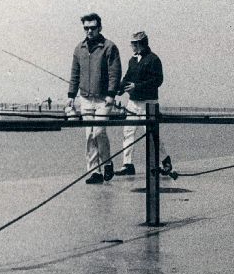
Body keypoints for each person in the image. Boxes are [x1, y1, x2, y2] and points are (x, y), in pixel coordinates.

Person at [66, 13, 122, 184]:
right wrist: (71, 96)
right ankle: (94, 172)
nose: (89, 31)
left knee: (99, 131)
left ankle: (107, 163)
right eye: (86, 28)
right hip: (85, 98)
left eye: (93, 28)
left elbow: (115, 73)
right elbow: (75, 74)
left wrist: (112, 95)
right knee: (89, 135)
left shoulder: (109, 47)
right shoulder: (79, 48)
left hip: (104, 98)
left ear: (100, 28)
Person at [115, 31, 175, 178]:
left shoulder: (154, 59)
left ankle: (165, 161)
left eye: (134, 44)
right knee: (128, 132)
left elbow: (158, 80)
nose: (132, 46)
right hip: (133, 102)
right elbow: (127, 77)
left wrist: (137, 86)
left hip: (149, 103)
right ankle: (127, 164)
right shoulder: (132, 60)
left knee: (151, 134)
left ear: (141, 43)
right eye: (132, 44)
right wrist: (119, 89)